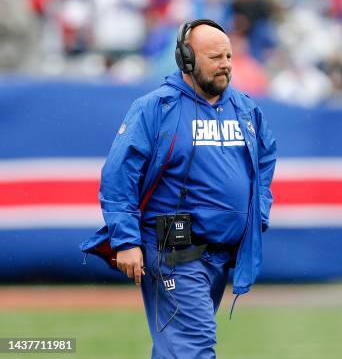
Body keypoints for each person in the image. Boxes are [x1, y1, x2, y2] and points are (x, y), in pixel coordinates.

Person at [80, 18, 277, 358]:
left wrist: (256, 213)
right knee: (193, 346)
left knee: (177, 347)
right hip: (172, 249)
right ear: (186, 60)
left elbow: (265, 159)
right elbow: (118, 175)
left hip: (220, 253)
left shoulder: (245, 109)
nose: (226, 65)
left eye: (229, 57)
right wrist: (126, 240)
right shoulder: (156, 108)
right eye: (215, 57)